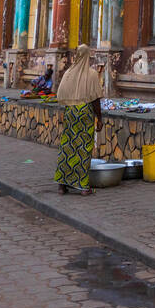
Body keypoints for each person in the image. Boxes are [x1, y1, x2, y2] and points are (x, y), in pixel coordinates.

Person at [53, 45, 103, 196]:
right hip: (85, 112)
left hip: (70, 111)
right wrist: (99, 118)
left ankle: (62, 185)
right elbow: (95, 99)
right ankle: (83, 186)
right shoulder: (92, 74)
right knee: (83, 148)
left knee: (67, 146)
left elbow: (61, 93)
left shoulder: (68, 73)